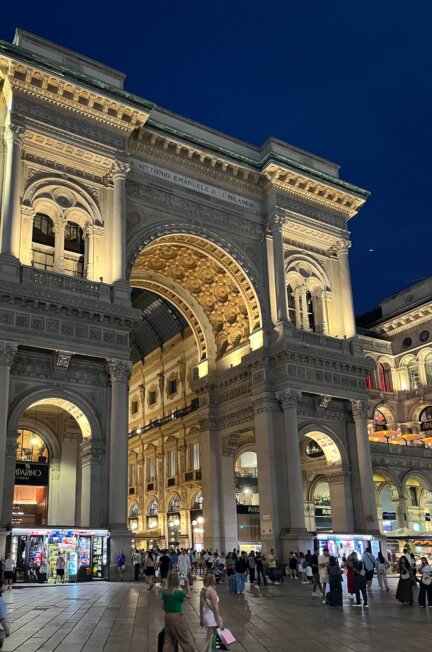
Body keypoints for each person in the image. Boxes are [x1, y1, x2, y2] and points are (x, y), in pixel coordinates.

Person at [161, 572, 194, 652]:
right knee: (184, 639)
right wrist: (187, 585)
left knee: (168, 640)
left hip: (167, 616)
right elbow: (189, 596)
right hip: (177, 617)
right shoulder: (179, 592)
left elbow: (163, 607)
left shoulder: (165, 592)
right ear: (178, 581)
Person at [199, 572, 224, 652]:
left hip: (206, 615)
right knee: (208, 640)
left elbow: (201, 606)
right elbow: (216, 609)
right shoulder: (212, 592)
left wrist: (201, 619)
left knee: (214, 639)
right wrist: (219, 622)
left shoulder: (203, 590)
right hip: (212, 618)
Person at [0, 580, 11, 645]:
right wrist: (7, 629)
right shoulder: (0, 600)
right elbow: (2, 618)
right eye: (4, 585)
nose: (5, 586)